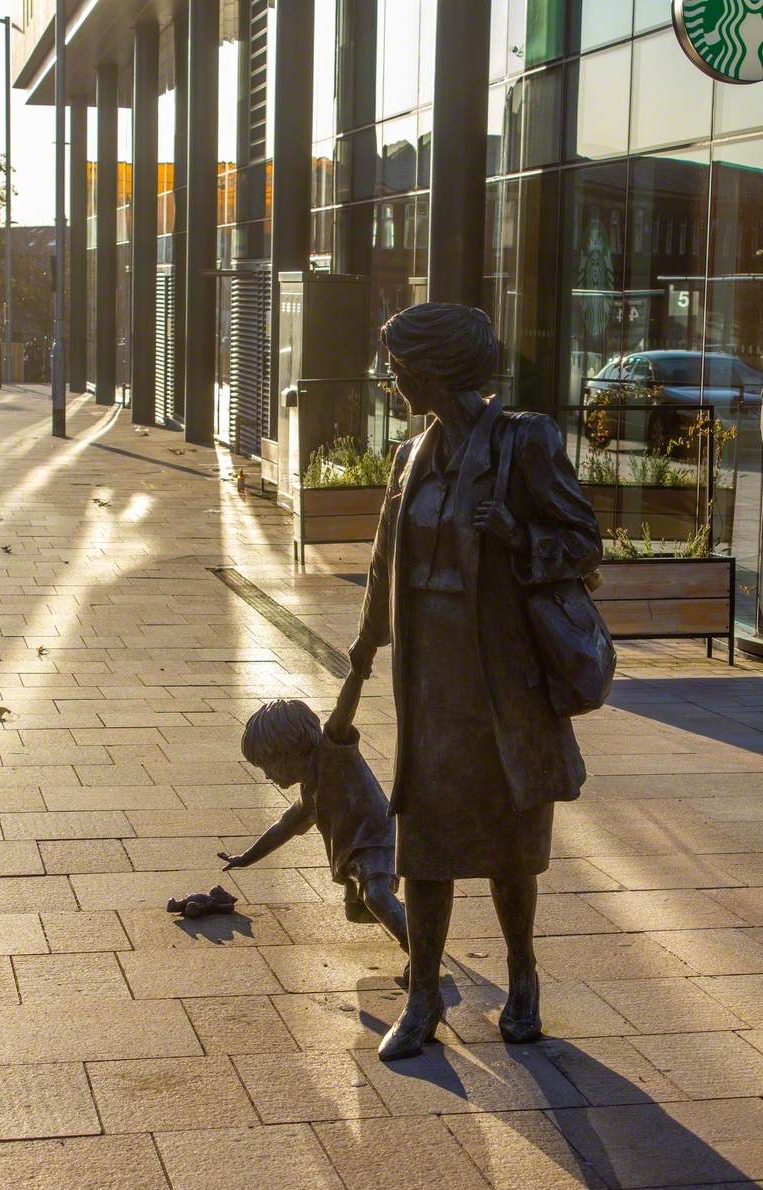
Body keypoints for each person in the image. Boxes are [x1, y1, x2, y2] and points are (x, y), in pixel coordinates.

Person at [349, 302, 603, 1061]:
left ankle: (522, 975)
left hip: (502, 682)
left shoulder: (523, 440)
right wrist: (362, 654)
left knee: (508, 839)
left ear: (435, 368)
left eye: (398, 366)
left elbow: (583, 544)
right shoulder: (410, 454)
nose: (390, 379)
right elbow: (383, 567)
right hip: (429, 681)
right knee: (422, 838)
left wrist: (516, 534)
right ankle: (422, 995)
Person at [219, 682, 409, 975]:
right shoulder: (310, 793)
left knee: (376, 896)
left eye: (268, 765)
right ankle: (417, 923)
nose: (268, 775)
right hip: (353, 854)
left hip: (376, 838)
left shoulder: (334, 751)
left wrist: (358, 670)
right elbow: (283, 827)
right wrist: (246, 857)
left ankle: (422, 955)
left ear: (290, 752)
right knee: (358, 912)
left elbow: (344, 710)